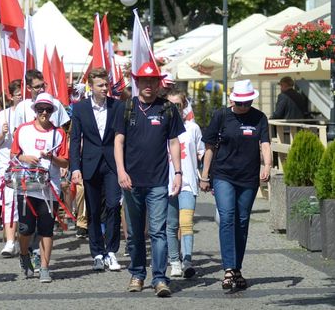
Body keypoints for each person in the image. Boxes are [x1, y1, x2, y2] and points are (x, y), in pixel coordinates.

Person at [114, 62, 184, 297]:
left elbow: (174, 142)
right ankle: (137, 274)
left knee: (158, 232)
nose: (148, 85)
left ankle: (160, 278)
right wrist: (121, 171)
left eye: (153, 81)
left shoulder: (167, 109)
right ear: (137, 82)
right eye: (144, 81)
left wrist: (178, 173)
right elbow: (118, 141)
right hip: (131, 181)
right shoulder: (126, 107)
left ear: (158, 83)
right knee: (134, 233)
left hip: (158, 182)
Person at [200, 79, 271, 290]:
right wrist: (205, 175)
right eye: (240, 103)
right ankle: (229, 269)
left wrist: (267, 165)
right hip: (223, 175)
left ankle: (237, 268)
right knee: (227, 217)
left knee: (242, 221)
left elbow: (265, 143)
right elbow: (210, 146)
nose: (244, 106)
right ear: (233, 100)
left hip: (248, 177)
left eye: (247, 103)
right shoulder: (221, 115)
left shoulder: (259, 118)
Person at [11, 92, 69, 283]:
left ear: (52, 111)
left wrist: (51, 157)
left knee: (46, 230)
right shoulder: (23, 130)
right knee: (26, 229)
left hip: (49, 189)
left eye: (48, 109)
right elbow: (14, 154)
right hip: (26, 187)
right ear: (34, 110)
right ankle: (24, 254)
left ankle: (44, 267)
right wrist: (25, 157)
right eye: (40, 109)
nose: (44, 112)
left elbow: (65, 162)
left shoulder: (58, 133)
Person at [70, 68, 122, 272]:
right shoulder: (80, 108)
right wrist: (75, 167)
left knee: (113, 206)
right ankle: (98, 253)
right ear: (90, 86)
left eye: (106, 84)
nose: (104, 88)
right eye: (100, 85)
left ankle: (112, 251)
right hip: (90, 163)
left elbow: (122, 137)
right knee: (92, 210)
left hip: (112, 163)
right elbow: (75, 140)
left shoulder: (117, 106)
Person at [165, 90, 205, 279]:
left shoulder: (193, 128)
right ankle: (174, 261)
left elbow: (201, 152)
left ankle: (187, 260)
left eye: (178, 105)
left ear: (184, 106)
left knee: (186, 222)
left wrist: (206, 175)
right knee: (171, 225)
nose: (174, 109)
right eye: (170, 105)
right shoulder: (162, 127)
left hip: (188, 182)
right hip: (167, 183)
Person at [0, 79, 22, 257]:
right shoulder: (2, 115)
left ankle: (22, 239)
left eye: (22, 94)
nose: (21, 97)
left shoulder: (31, 112)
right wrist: (2, 134)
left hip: (26, 164)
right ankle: (10, 241)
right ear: (11, 96)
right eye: (18, 95)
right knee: (9, 201)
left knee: (25, 204)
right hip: (6, 164)